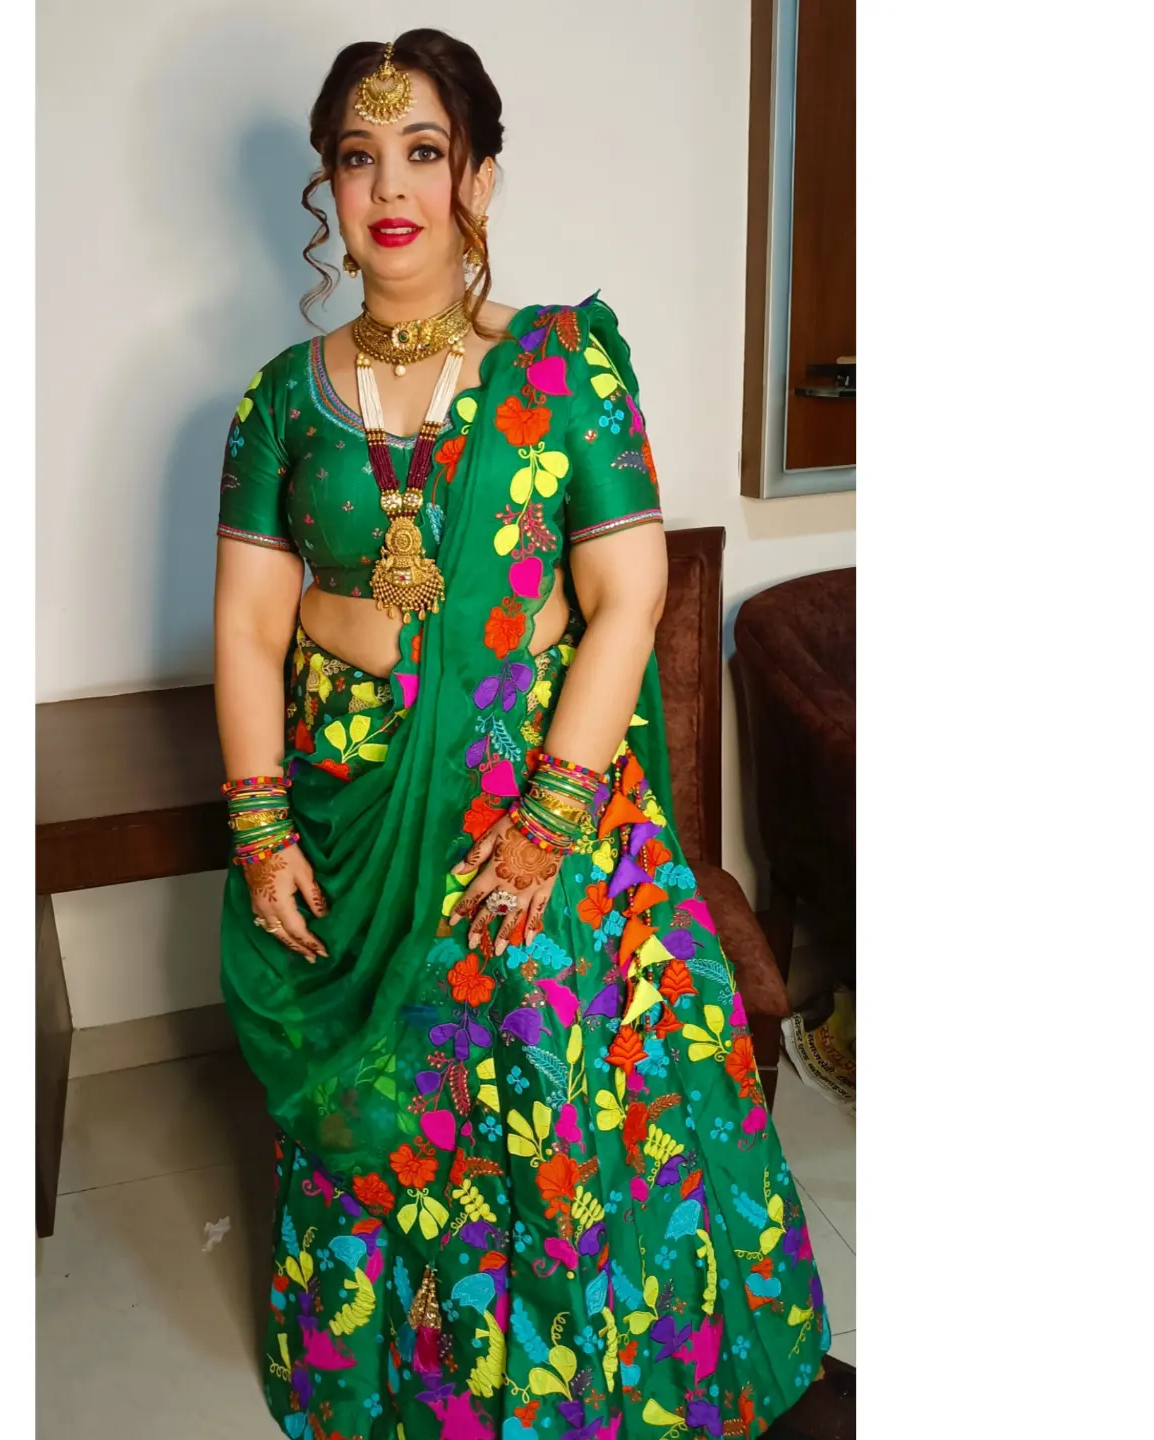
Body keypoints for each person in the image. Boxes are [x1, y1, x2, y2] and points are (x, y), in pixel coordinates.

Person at [213, 30, 828, 1440]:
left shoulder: (561, 372)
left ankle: (565, 1385)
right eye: (358, 156)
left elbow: (627, 598)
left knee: (545, 1102)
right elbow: (248, 625)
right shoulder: (280, 401)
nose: (391, 187)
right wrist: (259, 828)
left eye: (425, 152)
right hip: (350, 806)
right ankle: (400, 1380)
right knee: (381, 1117)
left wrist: (550, 822)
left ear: (480, 178)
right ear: (327, 182)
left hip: (537, 801)